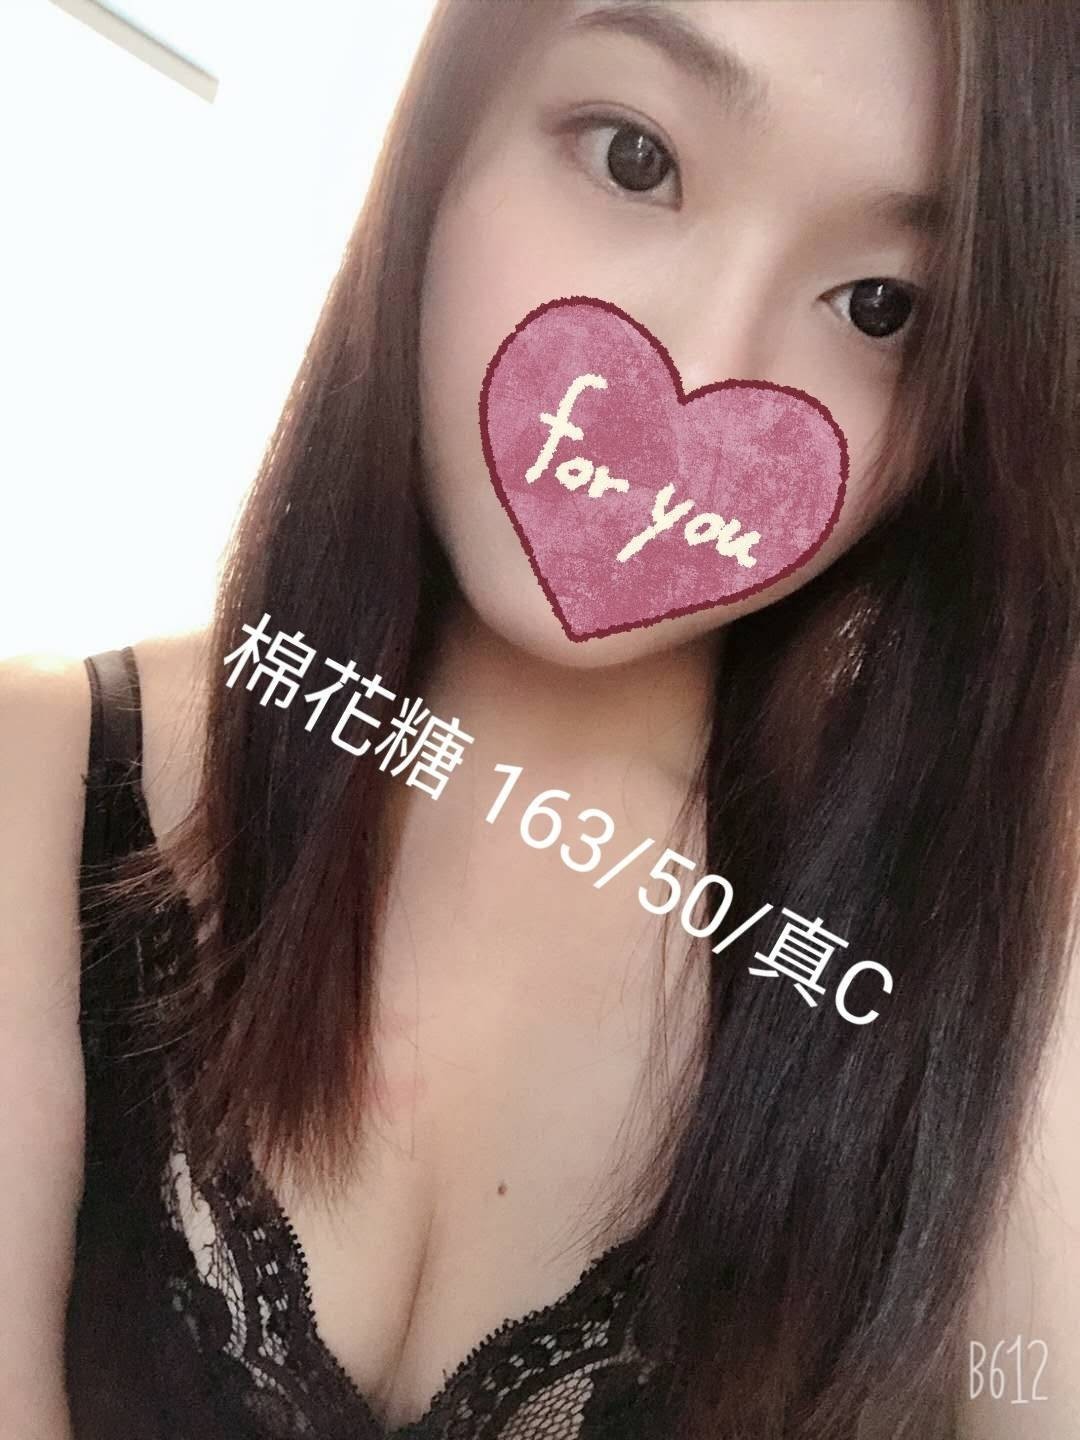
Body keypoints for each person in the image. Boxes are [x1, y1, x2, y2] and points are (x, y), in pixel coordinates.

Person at [2, 1, 1077, 1437]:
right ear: (449, 133)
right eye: (635, 157)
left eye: (884, 307)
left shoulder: (973, 968)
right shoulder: (41, 775)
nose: (707, 360)